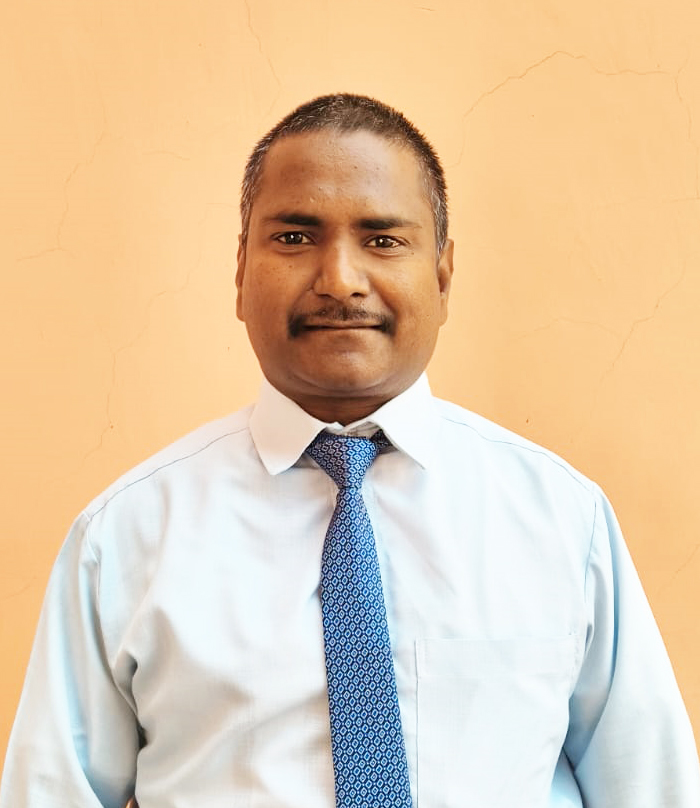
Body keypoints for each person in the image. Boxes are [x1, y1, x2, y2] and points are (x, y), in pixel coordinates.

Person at [1, 93, 698, 808]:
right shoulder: (124, 539)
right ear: (240, 272)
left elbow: (652, 789)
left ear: (443, 276)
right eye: (294, 237)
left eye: (383, 240)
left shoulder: (561, 520)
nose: (339, 280)